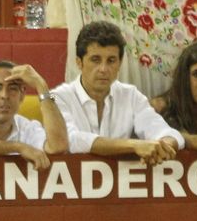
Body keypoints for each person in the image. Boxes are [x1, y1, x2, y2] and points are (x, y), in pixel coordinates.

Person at [49, 20, 183, 165]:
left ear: (119, 64)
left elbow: (166, 132)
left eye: (111, 60)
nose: (103, 69)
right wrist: (134, 145)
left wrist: (163, 146)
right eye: (95, 60)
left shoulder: (130, 95)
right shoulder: (58, 97)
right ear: (79, 63)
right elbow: (71, 140)